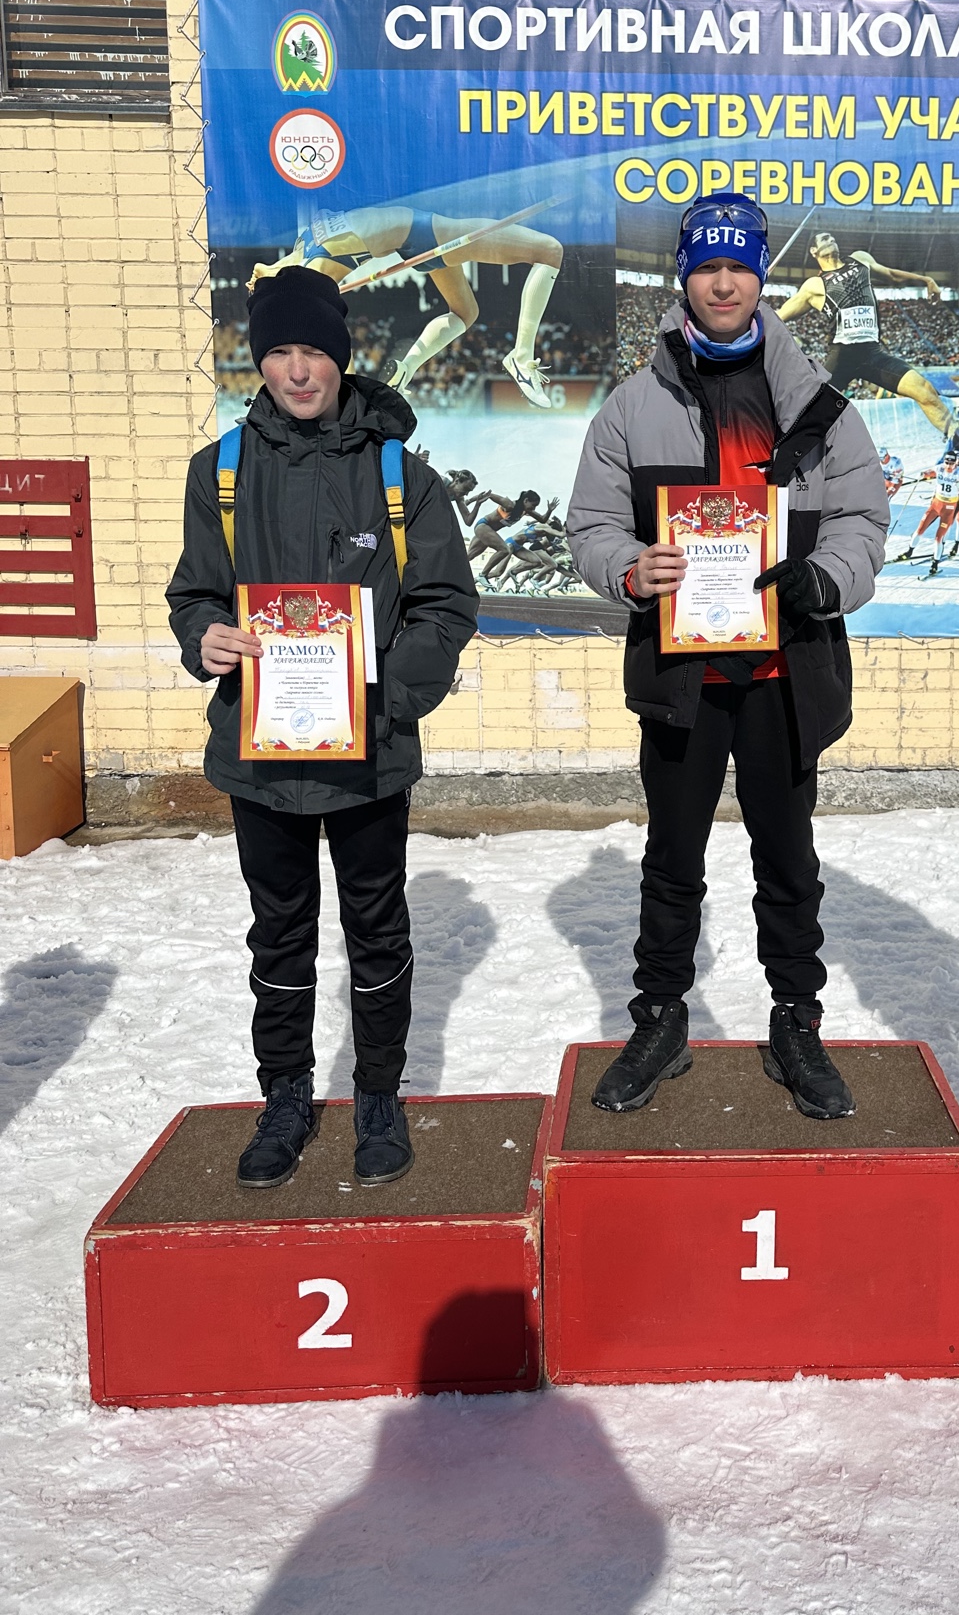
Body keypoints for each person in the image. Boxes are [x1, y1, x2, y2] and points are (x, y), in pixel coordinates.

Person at [567, 194, 889, 1119]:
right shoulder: (633, 407)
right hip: (684, 678)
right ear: (685, 279)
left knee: (787, 858)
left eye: (738, 266)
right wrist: (630, 567)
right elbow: (590, 525)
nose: (722, 283)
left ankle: (797, 1020)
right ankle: (660, 1016)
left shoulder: (818, 404)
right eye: (706, 267)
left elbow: (865, 520)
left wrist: (824, 579)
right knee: (673, 856)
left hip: (786, 675)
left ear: (759, 277)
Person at [166, 265, 479, 1190]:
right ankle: (285, 1096)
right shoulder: (219, 472)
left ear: (341, 356)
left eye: (313, 351)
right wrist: (204, 636)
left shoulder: (400, 476)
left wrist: (382, 697)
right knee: (279, 933)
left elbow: (445, 605)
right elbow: (194, 594)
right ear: (259, 361)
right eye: (279, 353)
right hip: (260, 756)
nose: (297, 371)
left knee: (376, 928)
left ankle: (378, 1093)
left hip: (368, 755)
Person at [250, 200, 563, 407]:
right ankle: (522, 357)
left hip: (417, 235)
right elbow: (339, 351)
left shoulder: (302, 266)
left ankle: (405, 368)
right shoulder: (305, 253)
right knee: (549, 250)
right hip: (425, 233)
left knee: (466, 312)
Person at [775, 232, 955, 436]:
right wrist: (752, 311)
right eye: (824, 239)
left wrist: (926, 279)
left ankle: (957, 438)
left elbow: (891, 274)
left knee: (925, 390)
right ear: (813, 251)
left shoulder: (859, 260)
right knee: (812, 414)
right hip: (842, 357)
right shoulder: (814, 285)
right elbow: (778, 316)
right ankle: (787, 450)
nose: (831, 240)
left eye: (833, 238)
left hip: (872, 354)